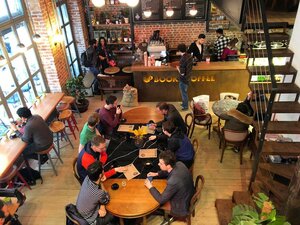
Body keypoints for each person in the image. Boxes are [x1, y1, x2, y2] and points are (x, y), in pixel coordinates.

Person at [144, 150, 195, 218]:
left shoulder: (173, 181)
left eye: (161, 163)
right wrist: (157, 173)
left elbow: (161, 200)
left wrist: (150, 186)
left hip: (181, 205)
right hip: (188, 193)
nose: (158, 164)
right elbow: (169, 171)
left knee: (152, 200)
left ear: (168, 165)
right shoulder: (179, 164)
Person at [76, 161, 114, 225]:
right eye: (103, 169)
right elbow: (107, 197)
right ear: (100, 175)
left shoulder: (87, 178)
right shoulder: (98, 193)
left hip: (80, 211)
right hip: (89, 220)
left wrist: (100, 180)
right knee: (113, 214)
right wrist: (102, 183)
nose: (103, 170)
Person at [176, 43, 193, 111]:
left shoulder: (182, 59)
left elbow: (182, 73)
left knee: (184, 93)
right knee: (184, 92)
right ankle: (184, 103)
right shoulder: (189, 56)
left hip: (183, 79)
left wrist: (178, 68)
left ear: (179, 50)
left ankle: (185, 106)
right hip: (188, 77)